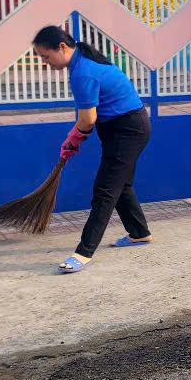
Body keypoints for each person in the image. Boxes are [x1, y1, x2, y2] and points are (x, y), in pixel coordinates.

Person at [32, 26, 152, 273]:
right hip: (124, 126)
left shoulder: (83, 72)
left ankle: (84, 252)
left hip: (127, 129)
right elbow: (89, 119)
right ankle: (139, 233)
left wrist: (73, 139)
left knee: (104, 191)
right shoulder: (82, 62)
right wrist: (73, 138)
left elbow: (88, 119)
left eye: (46, 56)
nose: (45, 62)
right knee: (121, 184)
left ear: (62, 47)